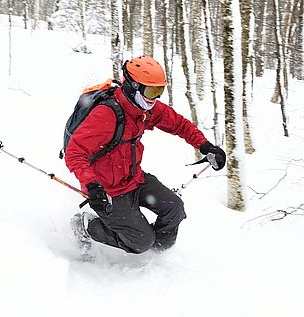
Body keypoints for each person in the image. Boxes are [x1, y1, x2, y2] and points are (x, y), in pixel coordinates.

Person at [65, 56, 226, 254]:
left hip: (134, 180)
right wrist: (92, 185)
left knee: (174, 210)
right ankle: (85, 227)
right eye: (151, 90)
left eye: (159, 91)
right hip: (108, 191)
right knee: (140, 241)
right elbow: (75, 152)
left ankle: (154, 256)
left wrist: (205, 145)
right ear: (133, 86)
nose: (155, 97)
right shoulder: (106, 115)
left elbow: (178, 124)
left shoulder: (143, 108)